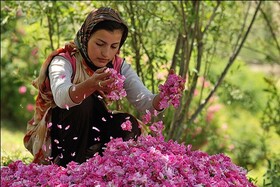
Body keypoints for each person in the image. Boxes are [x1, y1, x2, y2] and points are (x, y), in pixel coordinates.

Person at [23, 7, 178, 167]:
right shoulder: (64, 61)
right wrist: (90, 85)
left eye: (113, 46)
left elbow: (145, 103)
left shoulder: (118, 66)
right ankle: (67, 168)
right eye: (100, 44)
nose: (106, 53)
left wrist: (165, 96)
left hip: (91, 133)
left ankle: (102, 171)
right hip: (55, 135)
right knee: (83, 102)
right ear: (86, 37)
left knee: (127, 123)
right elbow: (63, 99)